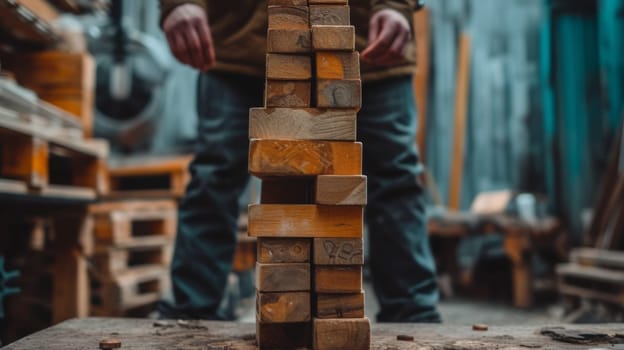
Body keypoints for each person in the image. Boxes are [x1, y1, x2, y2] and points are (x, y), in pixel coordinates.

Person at [158, 0, 441, 322]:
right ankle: (190, 315)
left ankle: (415, 318)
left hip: (365, 44)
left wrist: (394, 5)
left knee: (396, 181)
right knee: (214, 176)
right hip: (240, 41)